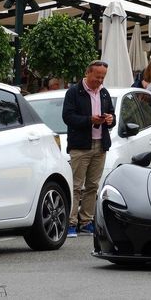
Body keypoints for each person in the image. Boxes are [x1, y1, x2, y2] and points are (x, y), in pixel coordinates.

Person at [62, 60, 115, 238]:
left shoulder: (105, 93)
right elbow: (68, 117)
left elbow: (113, 116)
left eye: (102, 77)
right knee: (76, 186)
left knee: (92, 186)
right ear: (88, 73)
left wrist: (109, 119)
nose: (100, 80)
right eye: (97, 77)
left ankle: (86, 221)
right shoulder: (74, 92)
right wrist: (89, 120)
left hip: (100, 144)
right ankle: (70, 222)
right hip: (80, 145)